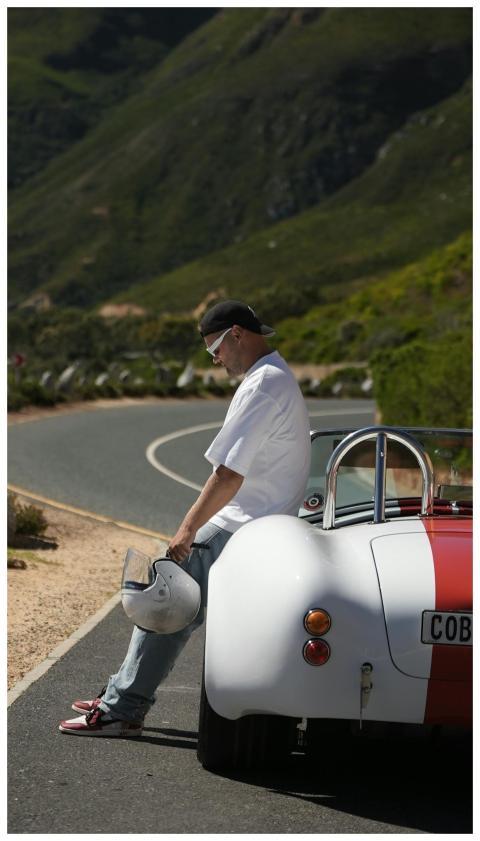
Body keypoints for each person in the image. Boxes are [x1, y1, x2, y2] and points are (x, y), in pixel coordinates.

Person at [59, 300, 311, 737]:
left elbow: (229, 474)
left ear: (237, 334)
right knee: (173, 608)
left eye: (214, 347)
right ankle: (121, 692)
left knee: (164, 604)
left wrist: (187, 530)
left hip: (240, 523)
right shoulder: (274, 374)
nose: (213, 358)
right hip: (259, 521)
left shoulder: (262, 386)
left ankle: (122, 709)